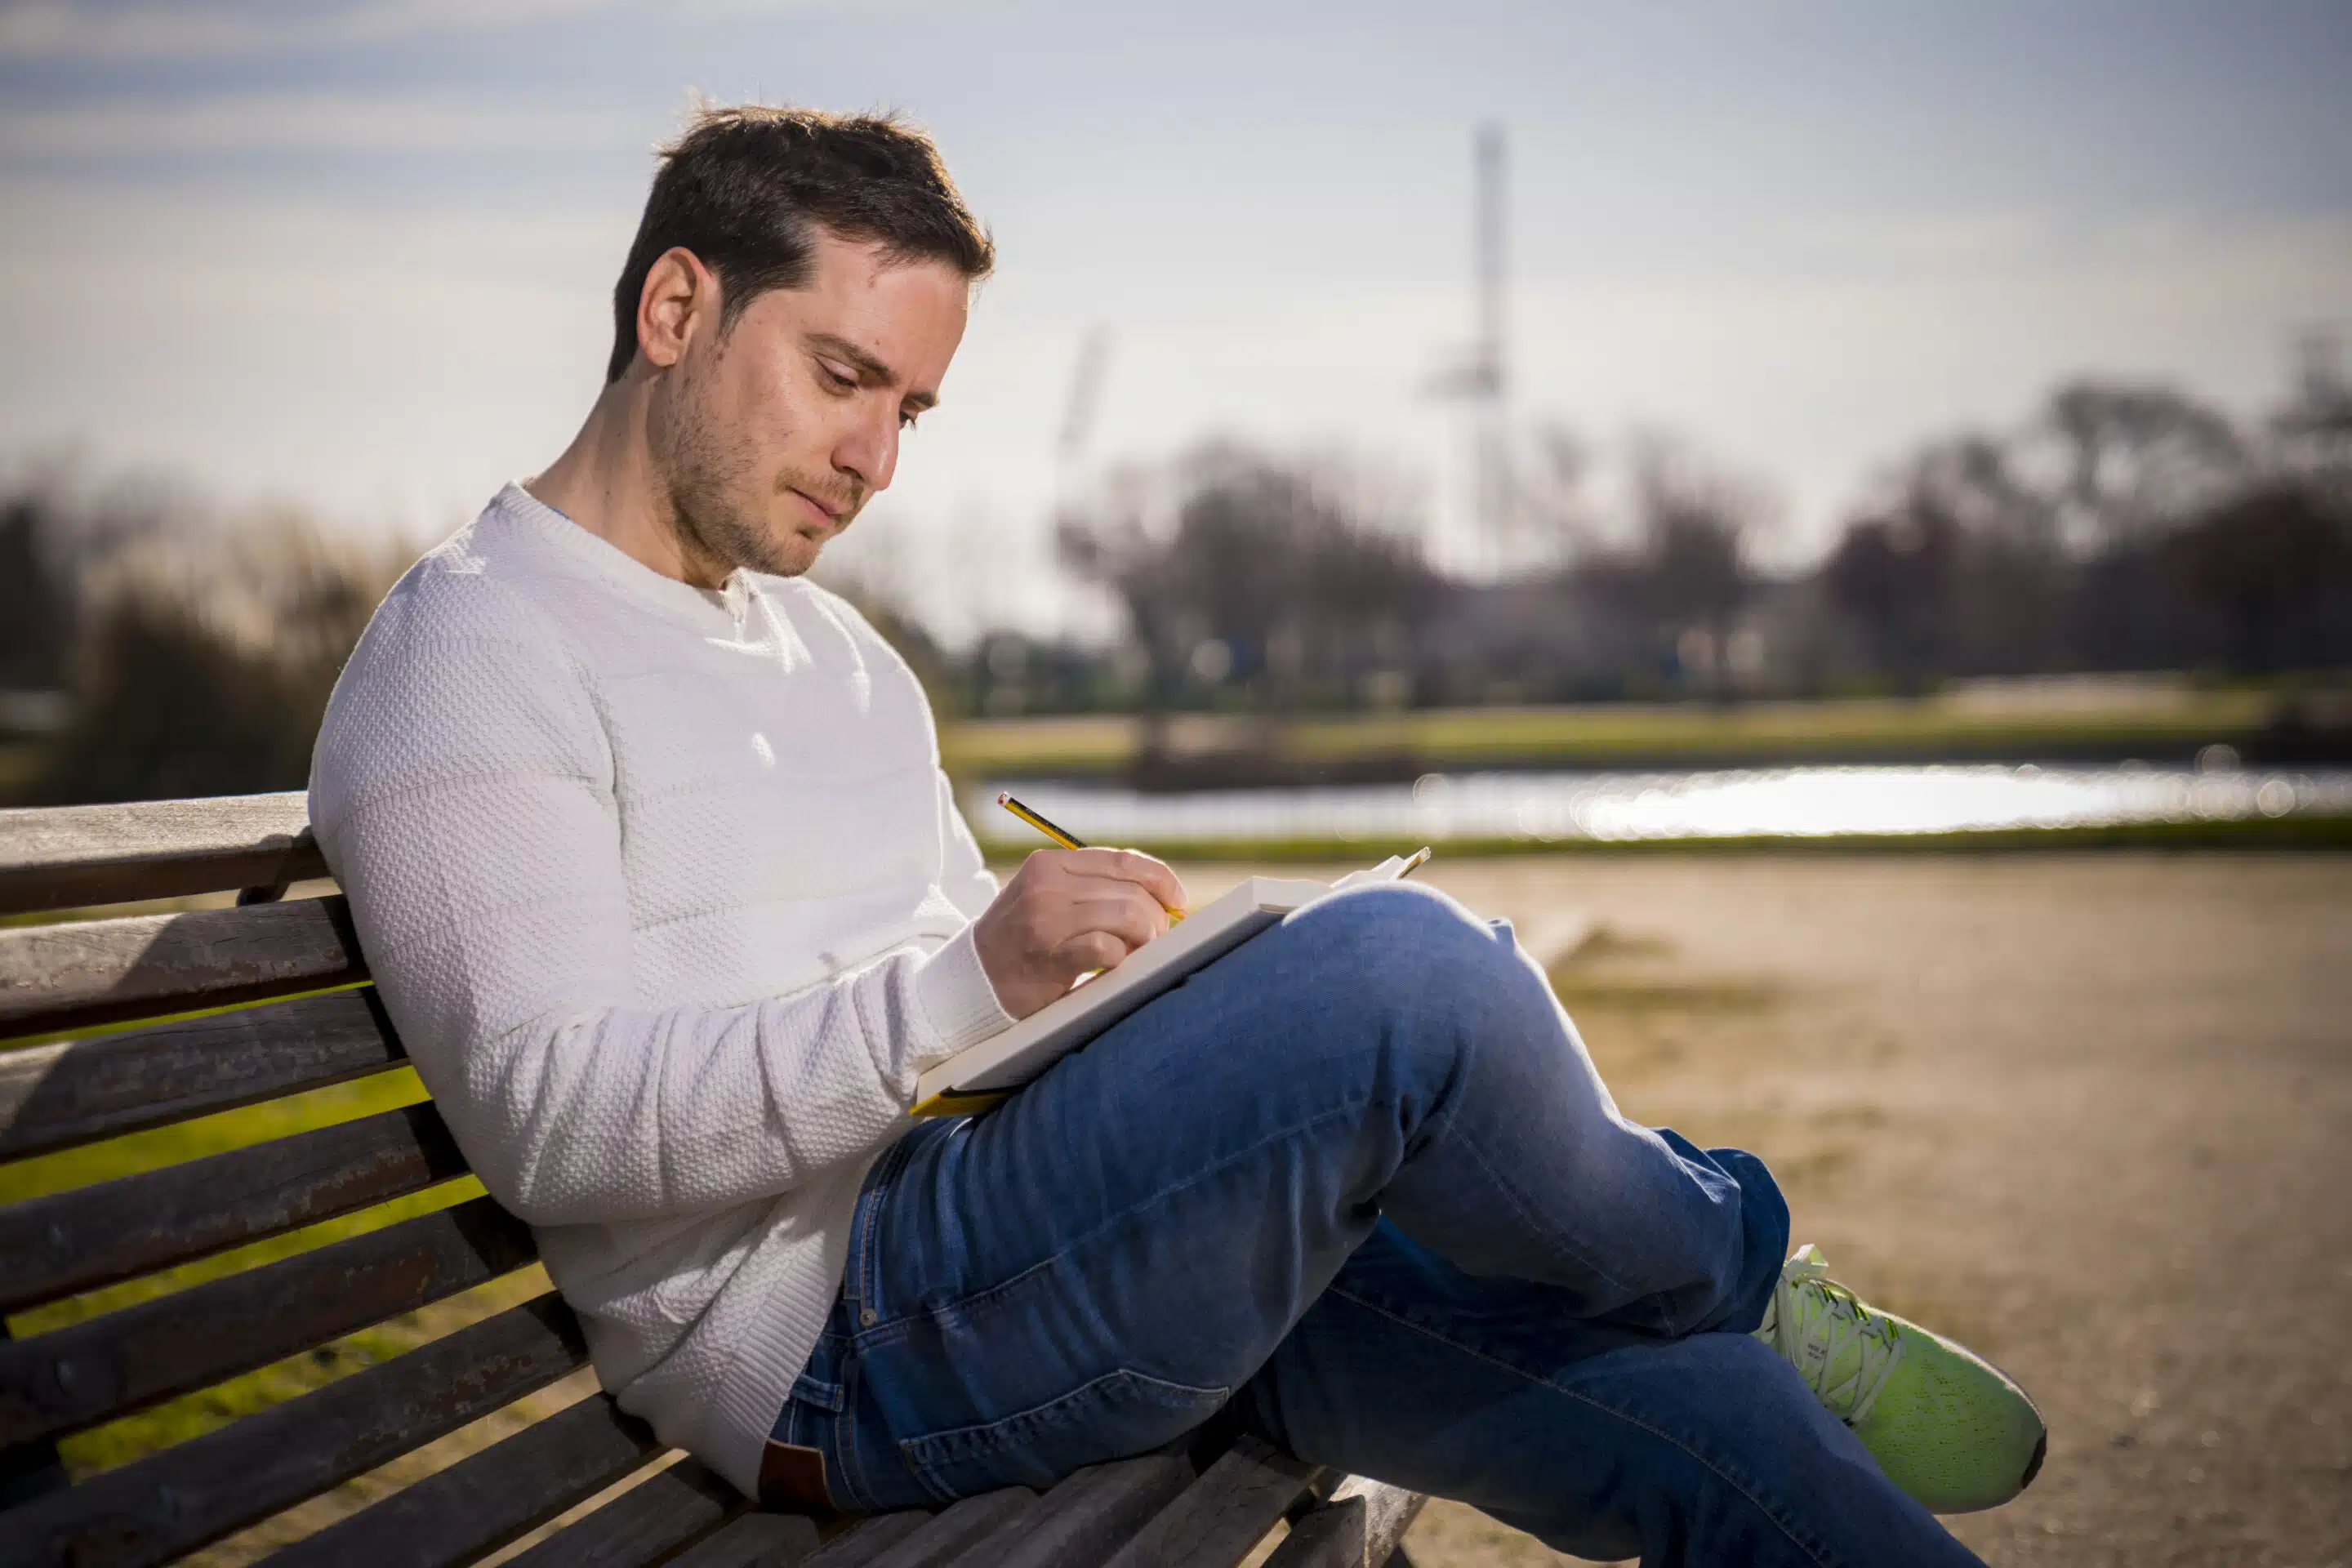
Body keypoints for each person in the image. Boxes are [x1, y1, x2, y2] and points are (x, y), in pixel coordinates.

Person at [310, 105, 2043, 1566]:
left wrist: (1121, 999)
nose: (876, 461)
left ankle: (1733, 1324)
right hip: (839, 1348)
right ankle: (1735, 1260)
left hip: (1024, 1238)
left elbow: (945, 1007)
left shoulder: (834, 654)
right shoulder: (475, 653)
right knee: (1408, 978)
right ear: (677, 306)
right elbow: (558, 1127)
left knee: (1715, 1428)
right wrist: (972, 983)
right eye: (845, 377)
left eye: (908, 411)